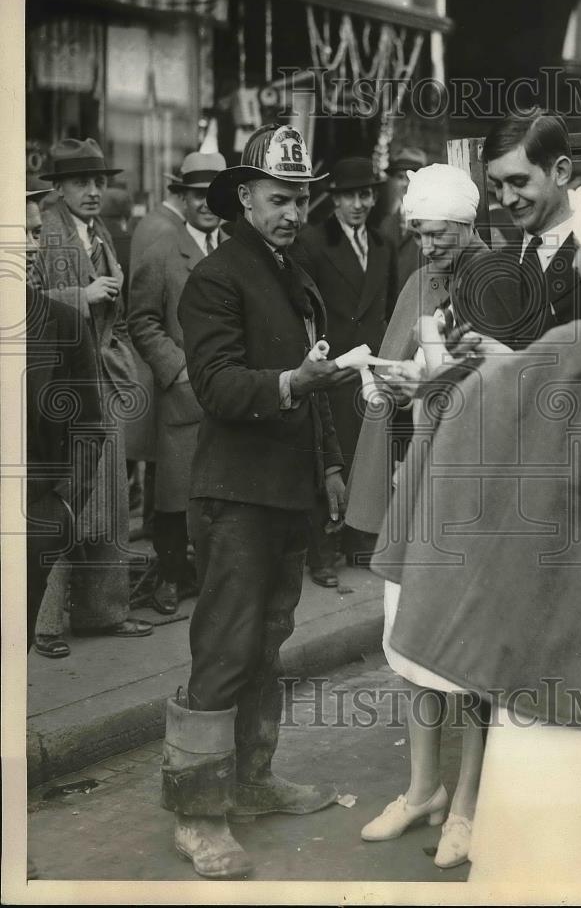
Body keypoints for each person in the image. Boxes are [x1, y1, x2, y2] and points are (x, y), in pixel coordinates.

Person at [373, 177, 581, 883]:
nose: (577, 259)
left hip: (577, 620)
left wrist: (448, 376)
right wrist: (504, 363)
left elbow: (502, 407)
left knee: (556, 790)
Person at [162, 124, 353, 879]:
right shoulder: (218, 278)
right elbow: (213, 385)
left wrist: (331, 465)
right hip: (235, 496)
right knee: (226, 649)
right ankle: (198, 814)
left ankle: (252, 779)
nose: (292, 212)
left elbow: (316, 376)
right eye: (278, 198)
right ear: (243, 197)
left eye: (301, 199)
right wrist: (291, 385)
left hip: (285, 492)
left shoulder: (290, 271)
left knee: (268, 640)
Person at [357, 163, 541, 870]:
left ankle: (468, 801)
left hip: (479, 481)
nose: (428, 247)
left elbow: (521, 378)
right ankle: (422, 788)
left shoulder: (501, 278)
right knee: (407, 633)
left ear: (467, 226)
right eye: (420, 235)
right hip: (422, 473)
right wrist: (386, 382)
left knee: (463, 646)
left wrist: (432, 380)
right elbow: (399, 362)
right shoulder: (421, 278)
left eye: (437, 236)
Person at [34, 138, 152, 639]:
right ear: (58, 189)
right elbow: (23, 304)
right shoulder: (42, 232)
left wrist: (123, 365)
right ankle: (43, 624)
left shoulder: (98, 231)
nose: (93, 191)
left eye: (98, 182)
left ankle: (103, 612)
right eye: (81, 182)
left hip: (103, 379)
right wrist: (80, 294)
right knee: (59, 501)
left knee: (108, 502)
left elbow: (118, 319)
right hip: (59, 382)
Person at [292, 157, 398, 586]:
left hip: (369, 366)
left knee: (366, 453)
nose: (359, 203)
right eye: (351, 195)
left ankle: (358, 542)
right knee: (328, 456)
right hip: (333, 363)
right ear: (333, 198)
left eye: (366, 194)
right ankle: (321, 555)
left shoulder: (383, 244)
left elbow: (387, 307)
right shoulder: (313, 242)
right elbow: (305, 307)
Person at [128, 152, 227, 616]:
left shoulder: (236, 249)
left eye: (214, 195)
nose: (206, 204)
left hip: (230, 391)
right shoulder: (163, 252)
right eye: (196, 195)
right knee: (173, 494)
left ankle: (214, 575)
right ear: (182, 198)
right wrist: (176, 368)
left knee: (225, 488)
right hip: (183, 394)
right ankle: (171, 577)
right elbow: (142, 320)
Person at [482, 107, 581, 345]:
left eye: (518, 182)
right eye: (498, 186)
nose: (506, 199)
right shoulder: (495, 265)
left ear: (561, 172)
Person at [373, 145, 428, 287]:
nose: (405, 183)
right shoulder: (386, 223)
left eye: (410, 177)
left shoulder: (433, 221)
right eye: (400, 177)